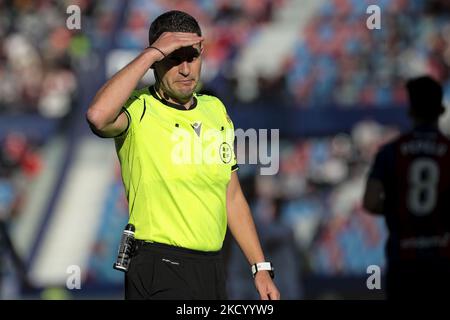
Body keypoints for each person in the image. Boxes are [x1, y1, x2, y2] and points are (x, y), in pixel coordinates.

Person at [86, 10, 280, 300]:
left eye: (192, 57)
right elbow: (97, 116)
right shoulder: (138, 109)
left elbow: (232, 195)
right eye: (174, 59)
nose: (186, 70)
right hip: (159, 265)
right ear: (156, 62)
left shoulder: (215, 110)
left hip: (212, 269)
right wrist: (150, 53)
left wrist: (260, 268)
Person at [363, 75, 450, 299]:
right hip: (443, 260)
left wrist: (398, 207)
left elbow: (370, 201)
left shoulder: (390, 152)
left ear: (410, 111)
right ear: (440, 110)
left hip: (404, 261)